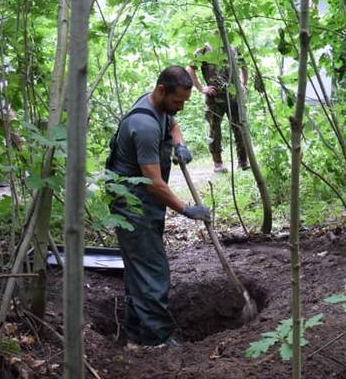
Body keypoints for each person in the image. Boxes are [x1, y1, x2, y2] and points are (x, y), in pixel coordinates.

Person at [106, 66, 211, 349]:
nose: (180, 107)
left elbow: (172, 123)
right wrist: (186, 209)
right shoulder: (144, 127)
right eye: (178, 101)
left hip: (145, 204)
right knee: (153, 273)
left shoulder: (158, 107)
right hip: (134, 207)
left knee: (140, 270)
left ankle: (134, 336)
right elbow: (153, 183)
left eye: (184, 102)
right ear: (162, 90)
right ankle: (157, 340)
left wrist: (180, 145)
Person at [186, 43, 250, 172]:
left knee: (240, 128)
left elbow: (244, 66)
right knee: (214, 131)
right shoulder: (203, 50)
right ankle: (218, 164)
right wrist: (202, 88)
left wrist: (243, 84)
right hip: (214, 98)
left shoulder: (233, 46)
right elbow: (190, 69)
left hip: (234, 97)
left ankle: (243, 162)